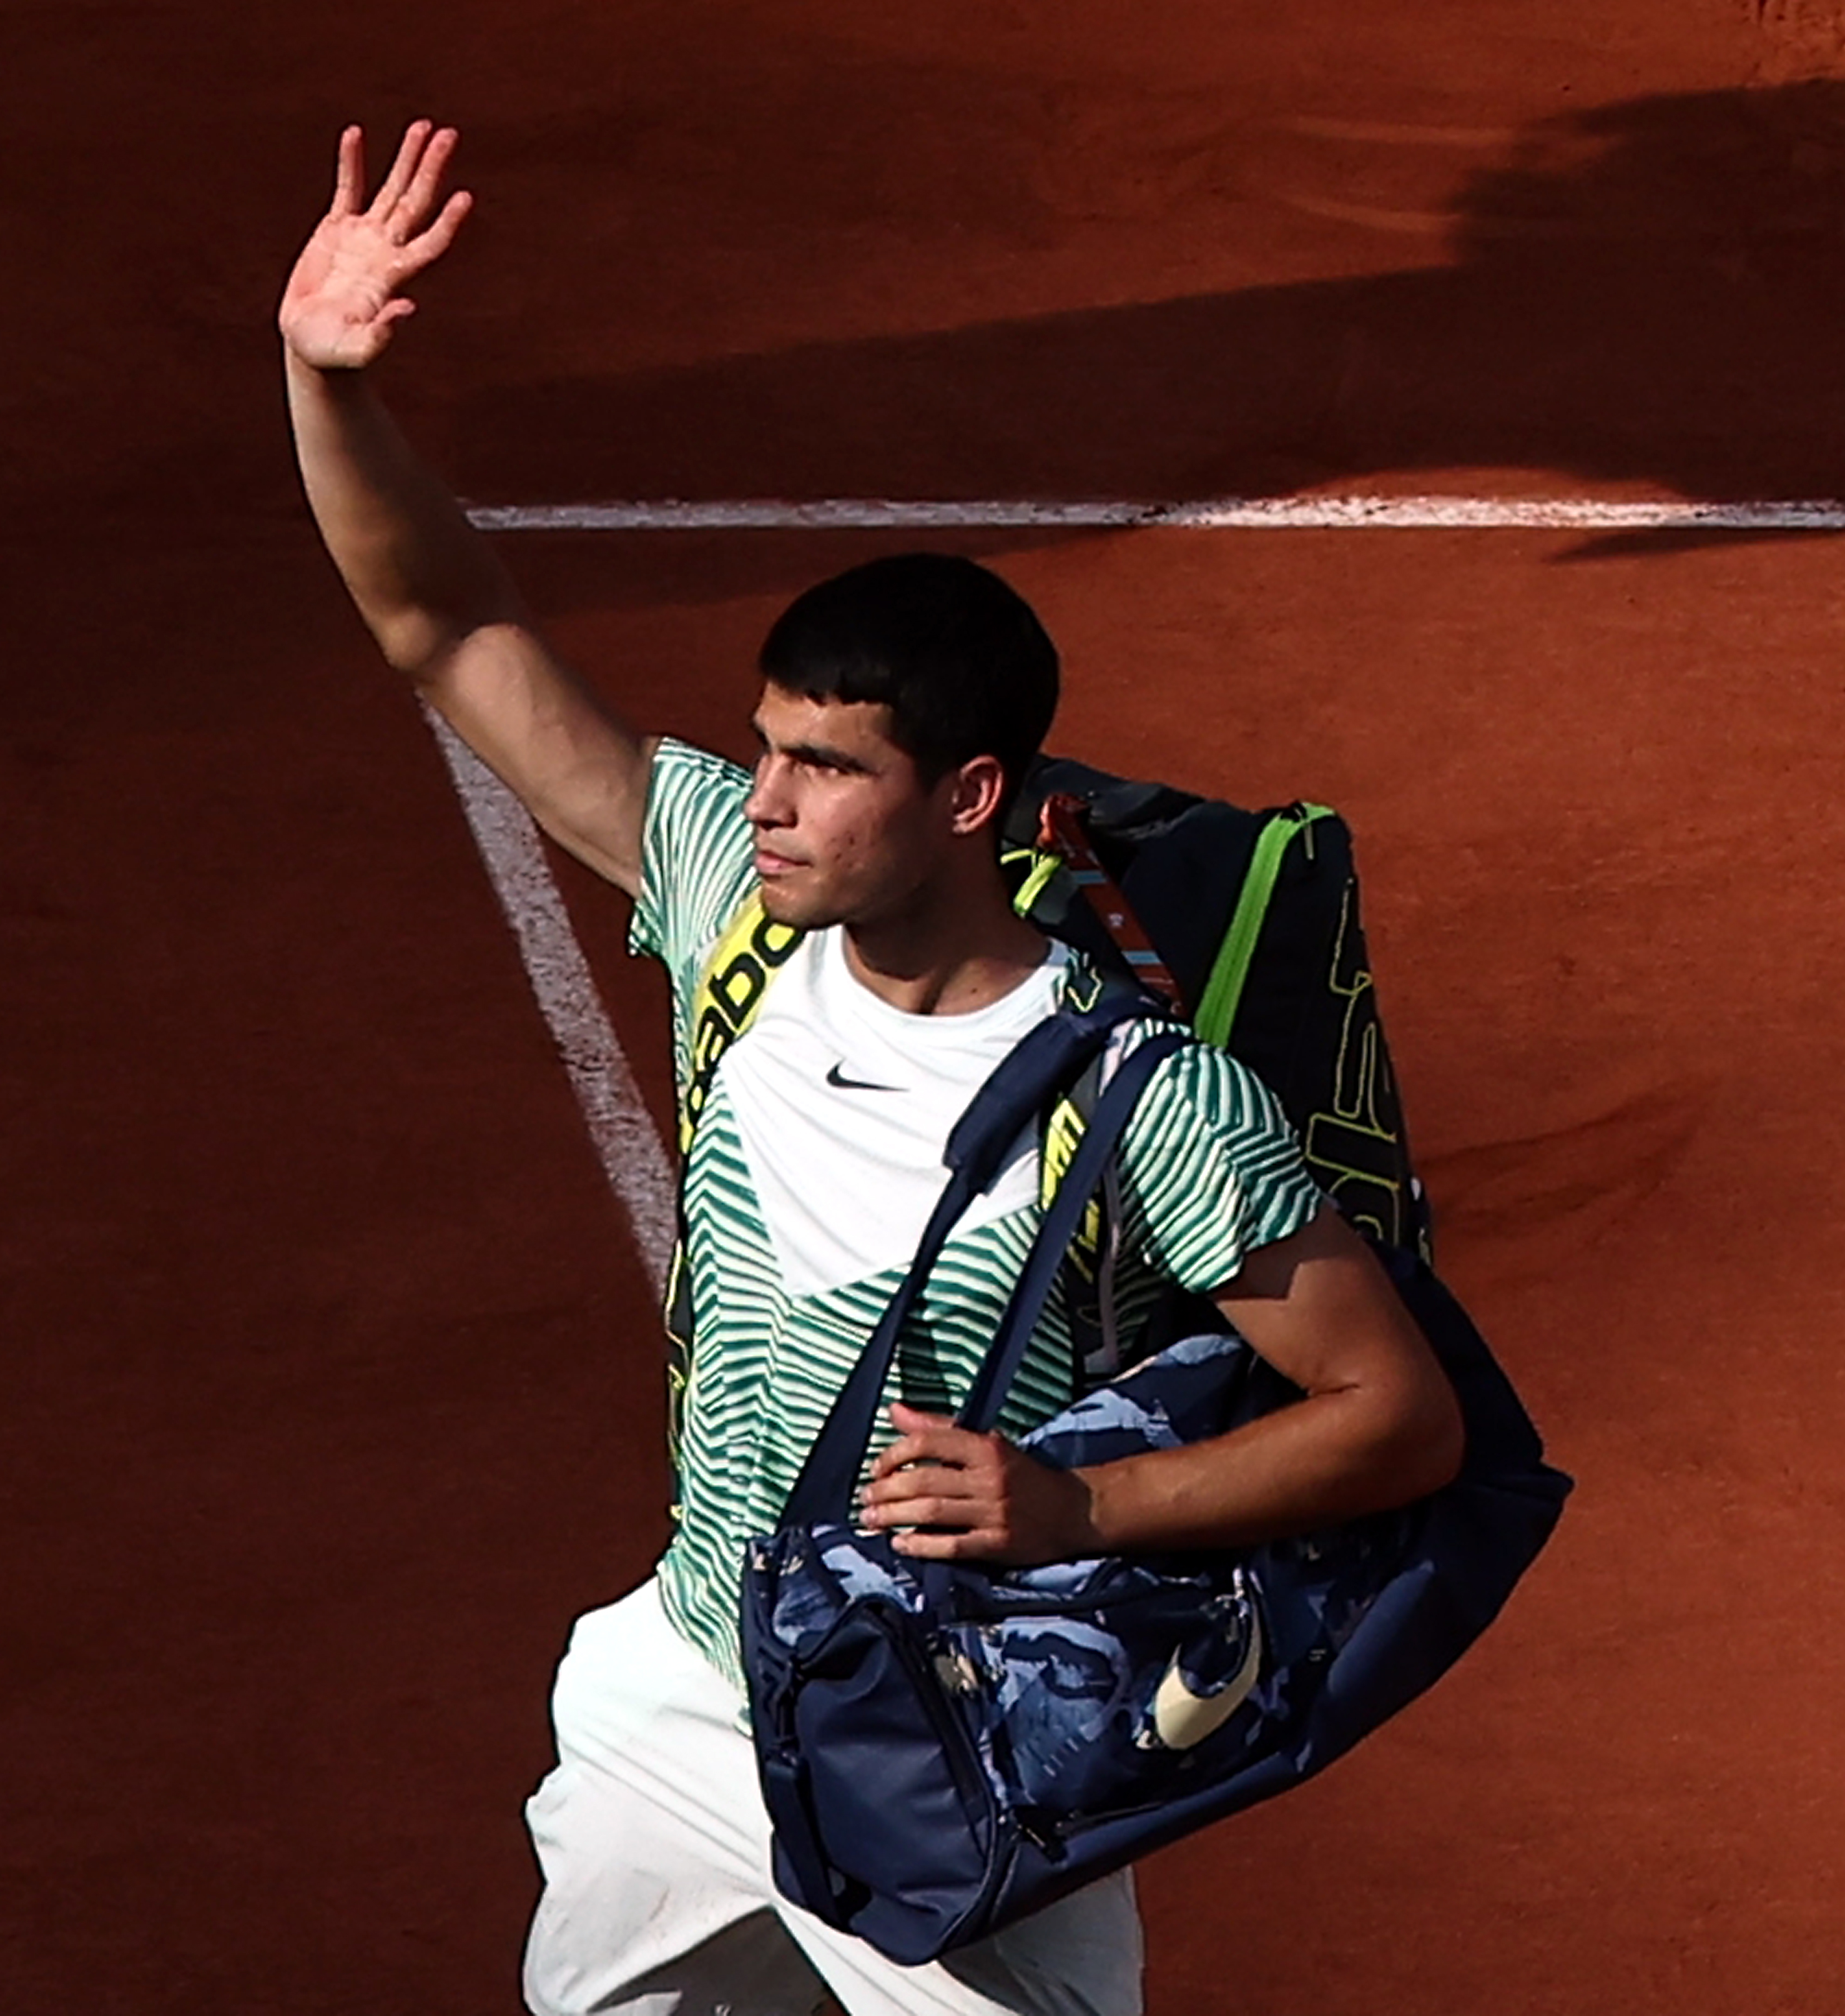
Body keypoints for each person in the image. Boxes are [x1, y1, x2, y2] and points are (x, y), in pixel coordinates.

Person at [280, 120, 1467, 2016]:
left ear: (969, 798)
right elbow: (446, 621)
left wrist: (1079, 1512)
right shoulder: (732, 908)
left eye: (824, 766)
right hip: (693, 1680)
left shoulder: (1144, 1097)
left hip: (966, 1752)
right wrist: (324, 380)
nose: (763, 801)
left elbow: (1397, 1419)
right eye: (761, 748)